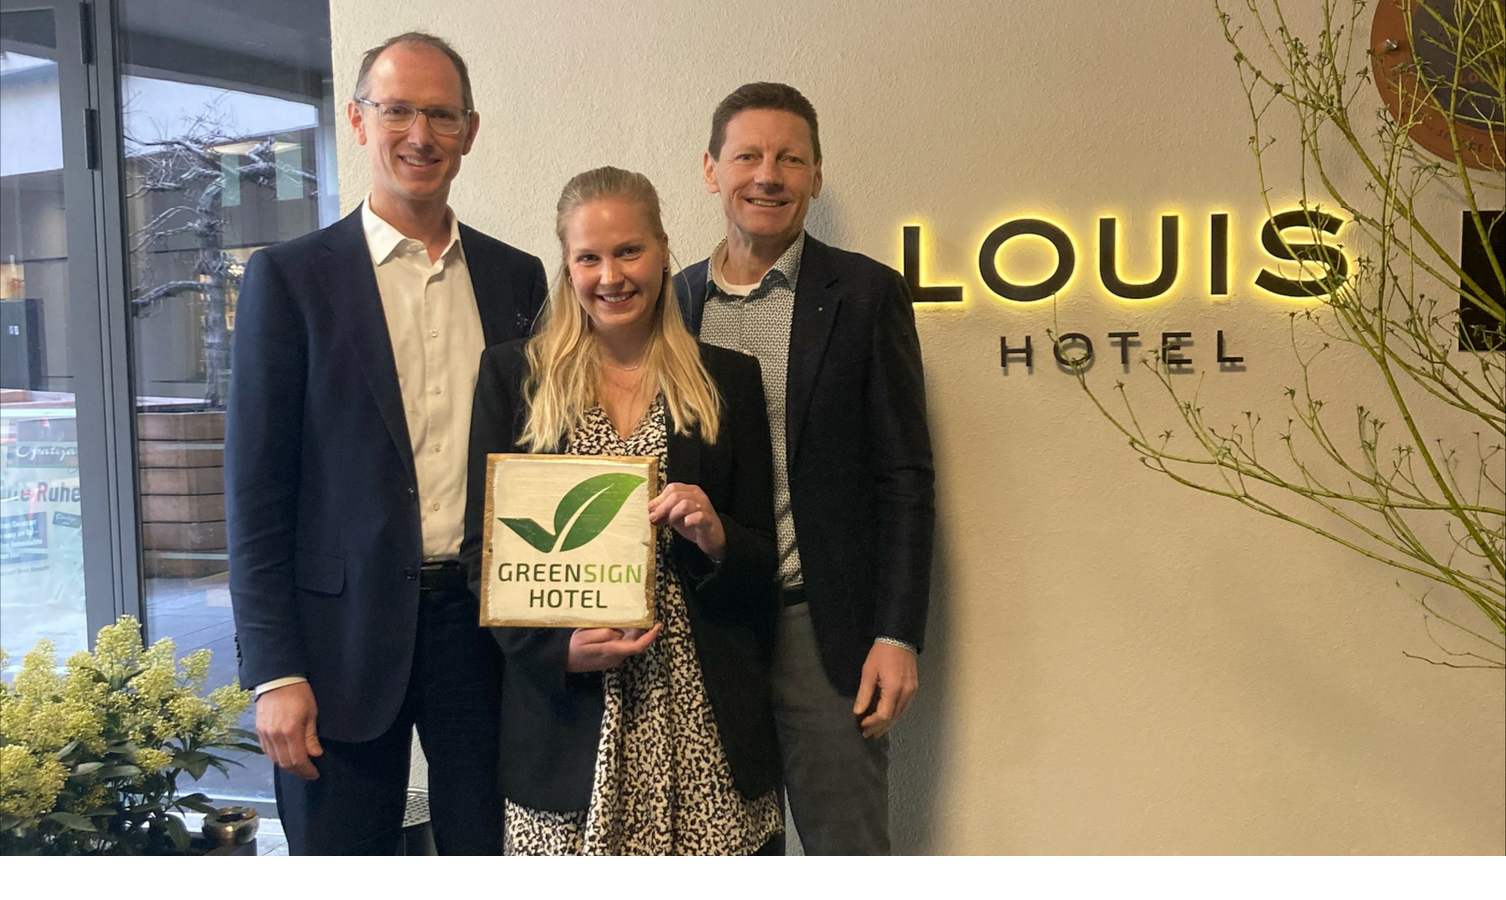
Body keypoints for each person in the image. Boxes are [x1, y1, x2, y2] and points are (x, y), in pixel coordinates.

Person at [225, 32, 546, 855]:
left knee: (491, 853)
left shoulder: (519, 279)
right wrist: (275, 672)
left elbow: (539, 455)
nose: (420, 134)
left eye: (441, 114)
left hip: (483, 634)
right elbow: (256, 495)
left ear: (470, 131)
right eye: (397, 109)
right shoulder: (289, 279)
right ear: (358, 120)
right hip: (337, 642)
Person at [460, 166, 782, 855]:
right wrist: (557, 652)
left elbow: (762, 558)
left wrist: (719, 536)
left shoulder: (728, 379)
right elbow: (479, 559)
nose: (611, 275)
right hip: (567, 724)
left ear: (664, 250)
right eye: (589, 257)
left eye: (629, 251)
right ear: (567, 266)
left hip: (703, 718)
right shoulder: (513, 378)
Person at [675, 82, 936, 855]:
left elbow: (905, 478)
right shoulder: (672, 302)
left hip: (818, 628)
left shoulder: (862, 294)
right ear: (711, 170)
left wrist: (897, 633)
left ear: (817, 176)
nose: (769, 175)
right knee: (725, 849)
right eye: (748, 155)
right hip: (706, 627)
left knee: (844, 848)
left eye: (791, 158)